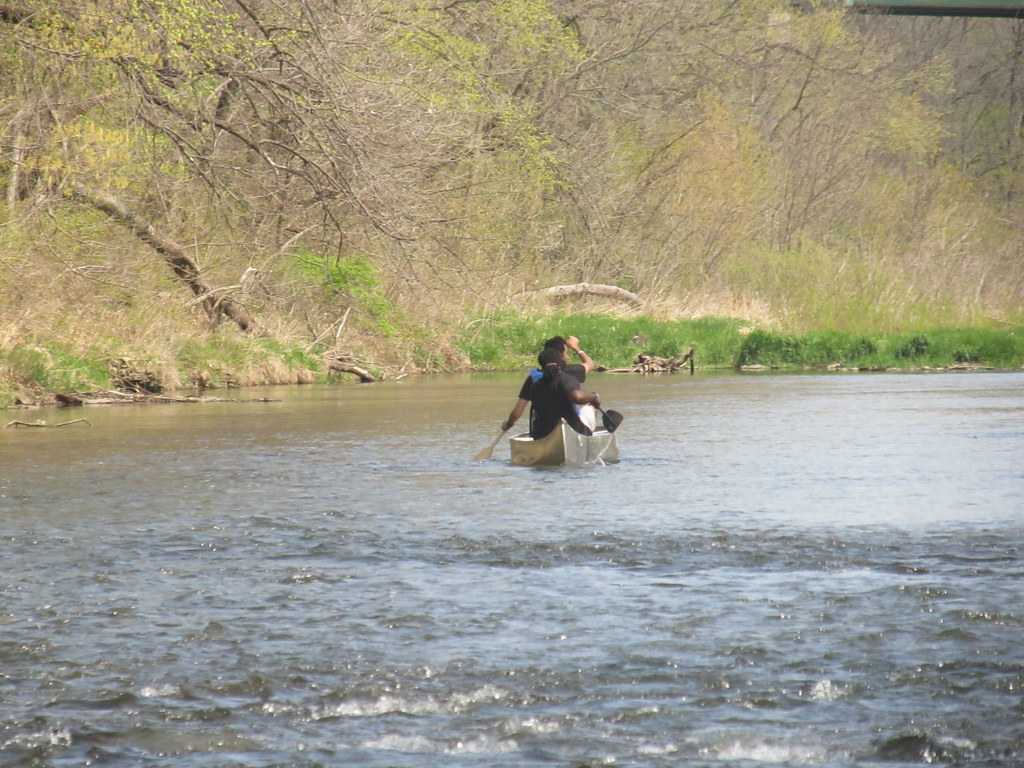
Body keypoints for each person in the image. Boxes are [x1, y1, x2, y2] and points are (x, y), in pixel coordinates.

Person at [502, 347, 601, 439]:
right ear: (560, 362)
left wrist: (508, 424)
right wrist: (594, 396)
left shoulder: (535, 386)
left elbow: (517, 412)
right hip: (573, 429)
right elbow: (577, 397)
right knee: (590, 408)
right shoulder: (567, 379)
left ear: (541, 365)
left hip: (541, 434)